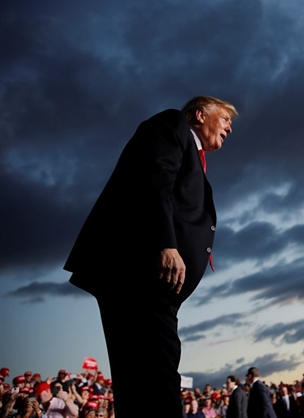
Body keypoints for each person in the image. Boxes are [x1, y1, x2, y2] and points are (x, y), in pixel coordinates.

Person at [63, 96, 239, 418]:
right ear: (199, 115)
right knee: (157, 376)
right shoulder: (173, 124)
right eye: (225, 118)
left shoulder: (195, 156)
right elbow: (156, 180)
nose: (229, 126)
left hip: (141, 282)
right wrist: (166, 244)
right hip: (142, 275)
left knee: (139, 378)